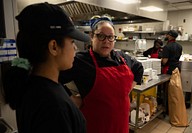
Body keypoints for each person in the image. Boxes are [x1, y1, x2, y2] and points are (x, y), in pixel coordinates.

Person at [2, 2, 90, 133]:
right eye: (72, 42)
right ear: (54, 47)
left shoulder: (30, 84)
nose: (75, 47)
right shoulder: (53, 107)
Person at [59, 15, 144, 133]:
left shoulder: (121, 58)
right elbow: (54, 78)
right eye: (101, 36)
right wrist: (71, 99)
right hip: (95, 126)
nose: (106, 41)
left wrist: (127, 90)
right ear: (92, 36)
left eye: (110, 37)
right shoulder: (80, 61)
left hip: (121, 124)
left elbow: (139, 68)